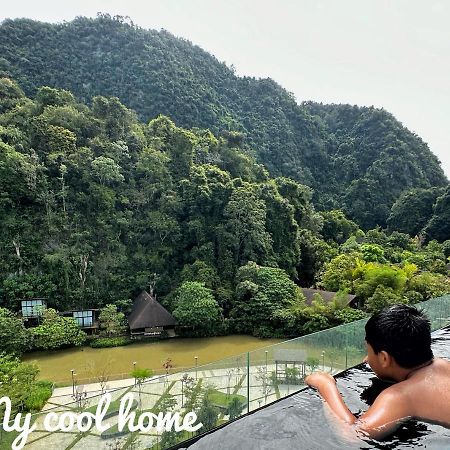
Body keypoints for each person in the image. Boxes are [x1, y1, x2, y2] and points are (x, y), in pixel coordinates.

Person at [305, 304, 450, 439]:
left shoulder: (399, 397)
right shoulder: (443, 364)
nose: (367, 358)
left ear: (384, 358)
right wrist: (377, 361)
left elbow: (354, 434)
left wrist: (325, 386)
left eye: (369, 351)